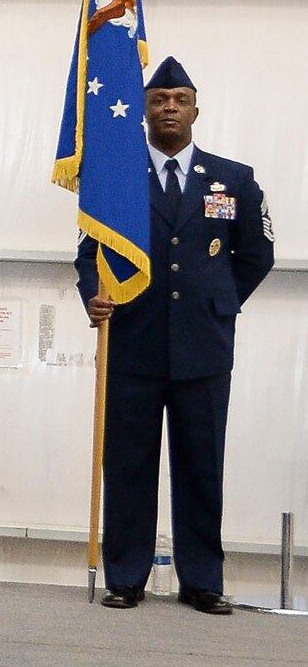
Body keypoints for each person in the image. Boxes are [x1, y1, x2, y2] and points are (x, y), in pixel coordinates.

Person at [77, 56, 273, 615]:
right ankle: (126, 576)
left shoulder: (234, 179)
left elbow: (257, 254)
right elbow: (89, 254)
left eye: (179, 99)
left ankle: (203, 580)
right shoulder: (115, 179)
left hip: (203, 348)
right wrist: (94, 292)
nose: (169, 108)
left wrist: (221, 303)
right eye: (159, 100)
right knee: (129, 464)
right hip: (132, 342)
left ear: (195, 109)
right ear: (144, 109)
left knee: (201, 463)